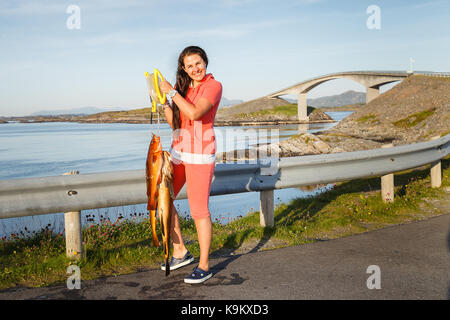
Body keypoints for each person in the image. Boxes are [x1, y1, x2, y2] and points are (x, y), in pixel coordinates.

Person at [159, 46, 222, 284]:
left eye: (198, 63)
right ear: (183, 69)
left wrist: (173, 93)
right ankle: (180, 251)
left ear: (205, 62)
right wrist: (164, 103)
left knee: (198, 211)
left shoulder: (213, 86)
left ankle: (204, 266)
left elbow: (195, 114)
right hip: (179, 152)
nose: (195, 69)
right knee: (164, 198)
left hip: (200, 155)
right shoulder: (185, 88)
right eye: (189, 66)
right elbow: (176, 122)